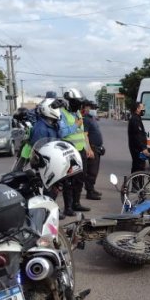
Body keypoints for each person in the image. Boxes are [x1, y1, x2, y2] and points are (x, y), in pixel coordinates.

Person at [59, 88, 93, 216]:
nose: (79, 106)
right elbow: (62, 132)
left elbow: (82, 132)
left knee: (80, 179)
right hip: (69, 151)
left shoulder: (77, 112)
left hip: (81, 151)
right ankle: (68, 207)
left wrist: (87, 148)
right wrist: (75, 124)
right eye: (77, 103)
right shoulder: (62, 113)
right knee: (69, 181)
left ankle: (76, 203)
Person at [81, 100, 104, 200]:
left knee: (95, 170)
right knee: (91, 171)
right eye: (91, 108)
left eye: (94, 108)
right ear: (85, 108)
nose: (93, 110)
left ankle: (92, 188)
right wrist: (88, 149)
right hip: (92, 148)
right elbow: (84, 135)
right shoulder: (85, 119)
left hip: (97, 148)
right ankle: (89, 192)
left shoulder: (92, 118)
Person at [127, 101, 150, 173]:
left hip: (139, 148)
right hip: (137, 149)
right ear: (137, 109)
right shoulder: (135, 119)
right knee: (139, 167)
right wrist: (143, 148)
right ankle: (137, 184)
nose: (144, 110)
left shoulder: (137, 118)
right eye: (142, 108)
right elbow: (137, 136)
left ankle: (137, 183)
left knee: (139, 167)